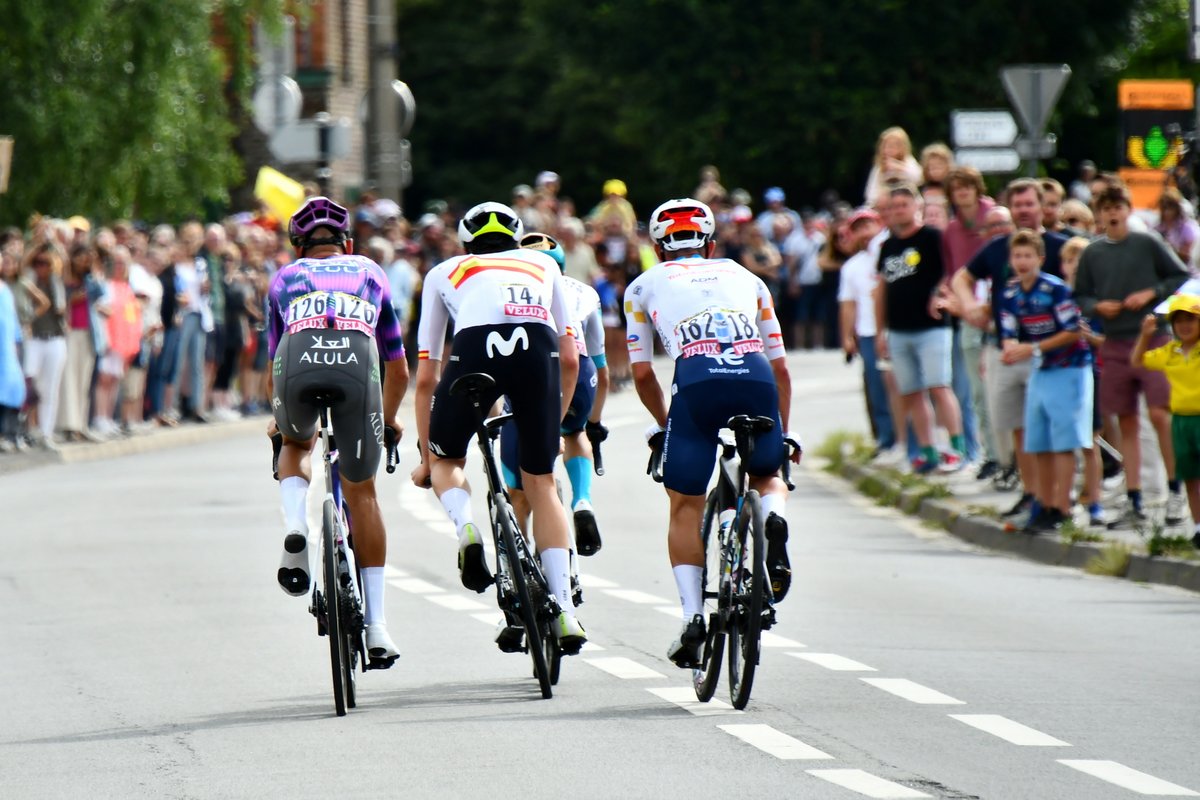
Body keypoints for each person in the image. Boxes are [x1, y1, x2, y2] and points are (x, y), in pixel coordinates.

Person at [625, 198, 801, 669]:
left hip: (697, 379)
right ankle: (770, 515)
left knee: (685, 501)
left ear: (657, 248)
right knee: (766, 471)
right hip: (757, 374)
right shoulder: (748, 277)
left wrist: (666, 425)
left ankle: (691, 618)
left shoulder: (642, 285)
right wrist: (785, 431)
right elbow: (782, 368)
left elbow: (641, 373)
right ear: (712, 243)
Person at [410, 201, 587, 654]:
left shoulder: (444, 270)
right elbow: (570, 358)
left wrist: (426, 457)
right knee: (541, 483)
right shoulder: (543, 264)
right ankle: (564, 608)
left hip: (473, 351)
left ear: (466, 240)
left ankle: (466, 528)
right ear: (516, 235)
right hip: (536, 351)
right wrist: (558, 417)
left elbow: (426, 374)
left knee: (449, 460)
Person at [267, 196, 409, 667]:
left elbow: (275, 363)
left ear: (298, 245)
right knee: (362, 490)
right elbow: (399, 368)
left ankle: (296, 525)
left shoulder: (284, 279)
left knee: (293, 442)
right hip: (357, 365)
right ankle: (378, 627)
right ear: (346, 242)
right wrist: (386, 420)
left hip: (299, 363)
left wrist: (278, 417)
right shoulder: (370, 272)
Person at [952, 179, 1069, 520]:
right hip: (1005, 346)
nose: (1023, 211)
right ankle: (1030, 493)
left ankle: (1060, 501)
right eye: (1017, 206)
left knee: (1048, 429)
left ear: (1042, 205)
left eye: (1029, 204)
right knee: (1018, 426)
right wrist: (970, 308)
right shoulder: (998, 247)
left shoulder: (1060, 246)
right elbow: (962, 278)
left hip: (1050, 353)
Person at [1074, 184, 1190, 528]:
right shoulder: (1093, 253)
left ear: (1128, 210)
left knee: (1159, 414)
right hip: (1115, 341)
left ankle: (1175, 490)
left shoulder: (1147, 242)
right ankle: (1134, 498)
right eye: (1105, 208)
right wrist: (1097, 306)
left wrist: (1151, 293)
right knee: (1124, 420)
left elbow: (1179, 275)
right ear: (1098, 214)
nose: (1112, 214)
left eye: (1117, 207)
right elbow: (1080, 295)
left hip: (1152, 338)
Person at [500, 231, 609, 554]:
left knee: (519, 486)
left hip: (530, 373)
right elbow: (601, 364)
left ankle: (519, 555)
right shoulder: (585, 292)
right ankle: (582, 500)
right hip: (579, 374)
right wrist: (595, 421)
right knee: (575, 434)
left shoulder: (509, 290)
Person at [998, 231, 1093, 532]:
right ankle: (1044, 503)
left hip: (1068, 367)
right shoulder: (1011, 294)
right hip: (1040, 370)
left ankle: (1063, 507)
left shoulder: (1056, 290)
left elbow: (1073, 330)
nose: (1022, 262)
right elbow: (1009, 331)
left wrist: (1034, 348)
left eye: (1028, 256)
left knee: (1064, 440)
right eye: (1017, 256)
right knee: (1038, 440)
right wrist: (1011, 348)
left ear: (1040, 259)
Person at [874, 183, 965, 474]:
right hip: (899, 328)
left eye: (904, 204)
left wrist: (939, 293)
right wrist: (880, 331)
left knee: (938, 386)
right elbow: (881, 289)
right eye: (894, 206)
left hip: (932, 327)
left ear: (916, 206)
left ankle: (956, 448)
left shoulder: (932, 238)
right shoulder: (888, 245)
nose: (899, 210)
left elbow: (951, 272)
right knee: (911, 392)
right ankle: (927, 450)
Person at [1133, 294, 1200, 546]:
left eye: (1191, 319)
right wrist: (1145, 335)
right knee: (1190, 477)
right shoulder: (1170, 351)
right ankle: (1197, 527)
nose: (1185, 325)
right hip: (1181, 421)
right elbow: (1137, 360)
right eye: (1179, 320)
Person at [838, 208, 895, 455]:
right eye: (858, 228)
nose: (864, 232)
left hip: (896, 327)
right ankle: (885, 439)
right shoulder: (852, 266)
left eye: (867, 225)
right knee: (876, 388)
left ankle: (909, 440)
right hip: (869, 331)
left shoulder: (891, 250)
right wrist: (847, 337)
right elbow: (848, 304)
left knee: (902, 388)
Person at [864, 127, 923, 208]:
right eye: (887, 146)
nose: (890, 149)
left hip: (908, 203)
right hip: (886, 205)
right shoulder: (879, 167)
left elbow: (919, 178)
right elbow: (870, 193)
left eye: (894, 145)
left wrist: (898, 166)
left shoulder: (908, 161)